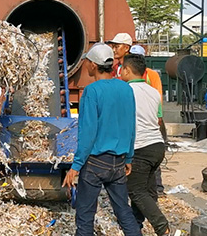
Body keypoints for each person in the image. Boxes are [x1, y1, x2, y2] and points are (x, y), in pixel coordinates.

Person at [62, 43, 141, 236]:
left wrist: (76, 166)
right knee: (124, 212)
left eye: (87, 61)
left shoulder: (92, 91)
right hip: (118, 162)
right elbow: (130, 125)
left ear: (94, 65)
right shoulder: (125, 89)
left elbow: (88, 132)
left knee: (85, 215)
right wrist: (129, 158)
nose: (86, 65)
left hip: (96, 163)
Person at [120, 54, 170, 235]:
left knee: (136, 191)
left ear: (126, 70)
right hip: (157, 145)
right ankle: (136, 226)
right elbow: (157, 119)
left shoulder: (125, 91)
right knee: (147, 191)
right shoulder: (153, 92)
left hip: (140, 147)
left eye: (121, 68)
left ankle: (162, 227)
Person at [130, 45, 167, 196]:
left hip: (151, 117)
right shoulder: (125, 74)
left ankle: (157, 187)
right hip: (139, 118)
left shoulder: (151, 75)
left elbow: (157, 95)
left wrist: (158, 116)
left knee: (149, 151)